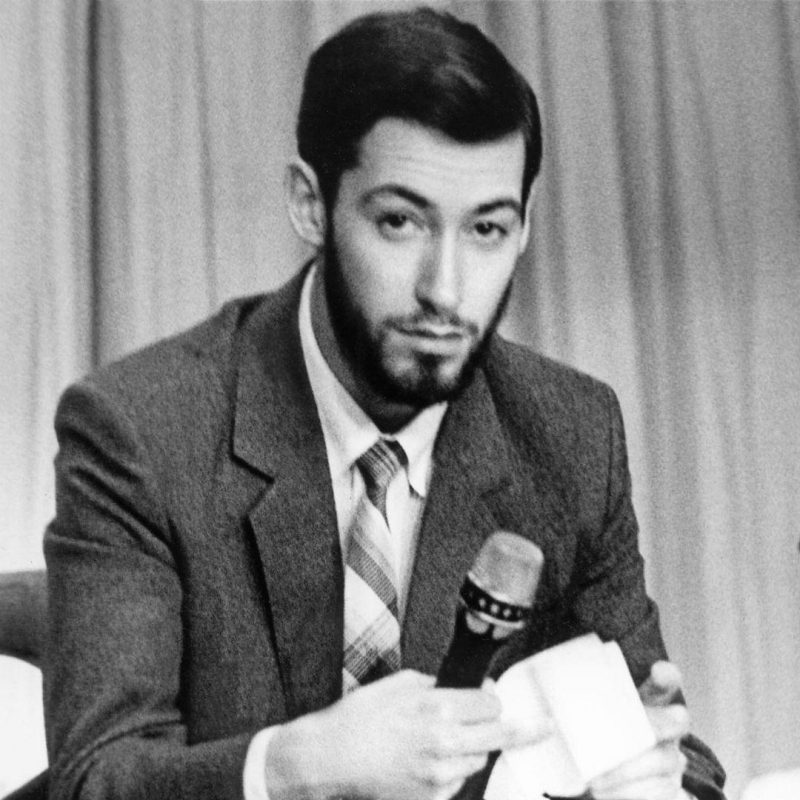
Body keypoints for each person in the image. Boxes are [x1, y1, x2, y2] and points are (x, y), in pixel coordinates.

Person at [43, 8, 726, 800]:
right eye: (400, 222)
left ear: (524, 226)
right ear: (311, 204)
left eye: (486, 229)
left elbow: (680, 755)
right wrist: (296, 766)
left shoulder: (569, 433)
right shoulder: (141, 430)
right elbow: (96, 779)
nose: (446, 290)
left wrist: (652, 778)